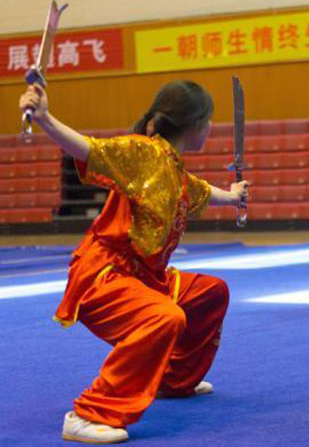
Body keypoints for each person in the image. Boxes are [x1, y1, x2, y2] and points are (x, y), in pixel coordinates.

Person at [19, 80, 249, 443]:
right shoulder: (144, 153)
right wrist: (45, 118)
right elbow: (89, 149)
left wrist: (233, 197)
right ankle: (88, 414)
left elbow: (199, 190)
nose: (211, 127)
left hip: (146, 277)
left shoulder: (171, 168)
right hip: (104, 276)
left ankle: (174, 379)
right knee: (165, 317)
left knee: (211, 293)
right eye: (208, 120)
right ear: (193, 124)